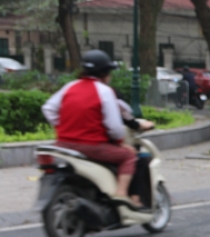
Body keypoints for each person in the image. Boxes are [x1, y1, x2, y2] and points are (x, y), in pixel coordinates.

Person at [41, 49, 147, 208]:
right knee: (129, 156)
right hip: (92, 147)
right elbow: (114, 127)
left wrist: (64, 125)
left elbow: (48, 108)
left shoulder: (70, 86)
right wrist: (120, 143)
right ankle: (122, 194)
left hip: (62, 145)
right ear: (105, 73)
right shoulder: (105, 92)